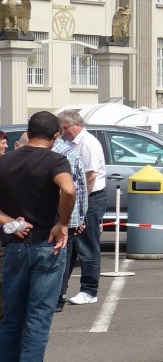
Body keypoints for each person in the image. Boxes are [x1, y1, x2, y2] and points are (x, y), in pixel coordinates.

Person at [0, 111, 76, 362]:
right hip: (47, 244)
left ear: (29, 132)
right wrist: (63, 222)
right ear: (57, 135)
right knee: (38, 318)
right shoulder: (55, 160)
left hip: (15, 245)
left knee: (10, 318)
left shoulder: (6, 161)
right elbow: (68, 189)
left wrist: (8, 220)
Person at [57, 109, 107, 306]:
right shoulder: (69, 143)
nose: (63, 132)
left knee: (87, 244)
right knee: (70, 244)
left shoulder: (88, 143)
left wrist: (80, 204)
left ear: (77, 125)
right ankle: (61, 289)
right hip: (78, 198)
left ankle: (89, 290)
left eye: (66, 128)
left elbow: (90, 177)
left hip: (91, 197)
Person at [54, 131, 89, 312]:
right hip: (67, 217)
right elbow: (79, 189)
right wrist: (81, 216)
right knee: (64, 258)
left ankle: (55, 296)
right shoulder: (70, 154)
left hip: (41, 218)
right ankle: (59, 297)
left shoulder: (33, 153)